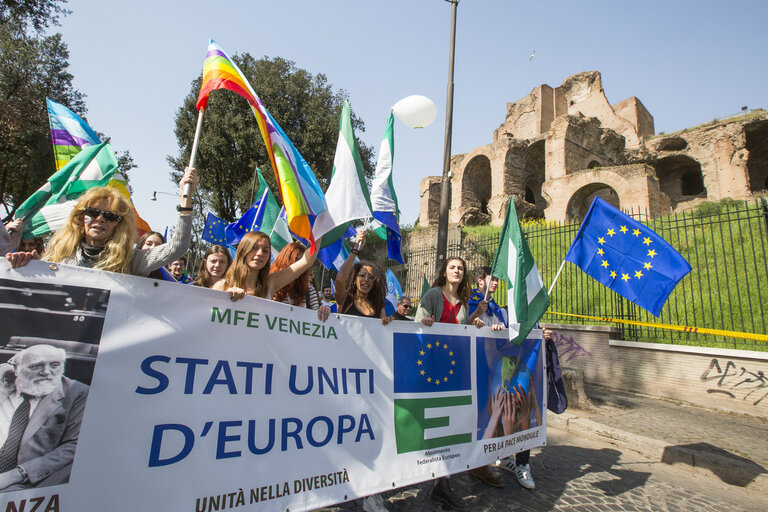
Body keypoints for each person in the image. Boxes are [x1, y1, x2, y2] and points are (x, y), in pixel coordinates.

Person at [414, 256, 500, 508]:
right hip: (433, 370)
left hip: (453, 370)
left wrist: (475, 317)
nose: (457, 271)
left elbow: (459, 327)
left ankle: (442, 483)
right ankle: (430, 475)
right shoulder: (432, 294)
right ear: (445, 271)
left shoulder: (462, 302)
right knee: (433, 427)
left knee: (449, 428)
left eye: (461, 268)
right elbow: (419, 322)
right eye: (452, 267)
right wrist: (426, 321)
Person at [5, 167, 199, 274]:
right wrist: (29, 265)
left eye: (110, 216)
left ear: (119, 224)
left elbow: (178, 247)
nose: (100, 219)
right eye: (93, 212)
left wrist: (185, 199)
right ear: (81, 217)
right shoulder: (59, 253)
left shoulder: (131, 260)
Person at [0, 345, 89, 492]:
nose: (46, 372)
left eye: (55, 365)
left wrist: (18, 474)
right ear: (17, 370)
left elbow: (75, 446)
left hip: (26, 483)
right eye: (35, 366)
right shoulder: (4, 384)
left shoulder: (78, 394)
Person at [212, 232, 328, 323]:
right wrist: (226, 297)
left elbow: (306, 262)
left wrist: (319, 227)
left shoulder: (270, 283)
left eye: (265, 250)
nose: (260, 253)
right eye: (254, 248)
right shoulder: (222, 286)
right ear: (243, 251)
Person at [270, 242, 320, 311]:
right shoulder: (269, 284)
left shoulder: (309, 290)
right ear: (285, 260)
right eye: (296, 259)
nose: (300, 265)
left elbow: (316, 316)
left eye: (302, 261)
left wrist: (323, 311)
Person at [468, 266, 508, 331]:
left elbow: (502, 326)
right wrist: (476, 313)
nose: (496, 283)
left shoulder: (494, 305)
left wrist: (499, 327)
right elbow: (465, 325)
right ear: (480, 281)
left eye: (497, 280)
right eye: (492, 279)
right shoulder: (469, 301)